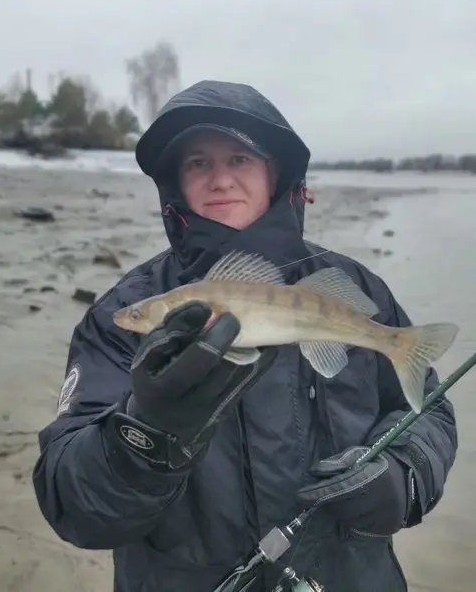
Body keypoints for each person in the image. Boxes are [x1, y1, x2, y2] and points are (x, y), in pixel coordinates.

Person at [32, 80, 458, 592]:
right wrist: (144, 433)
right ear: (176, 182)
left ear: (273, 171)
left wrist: (404, 476)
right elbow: (72, 504)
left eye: (239, 158)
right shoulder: (113, 316)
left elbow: (428, 408)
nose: (220, 179)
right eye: (197, 163)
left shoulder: (358, 285)